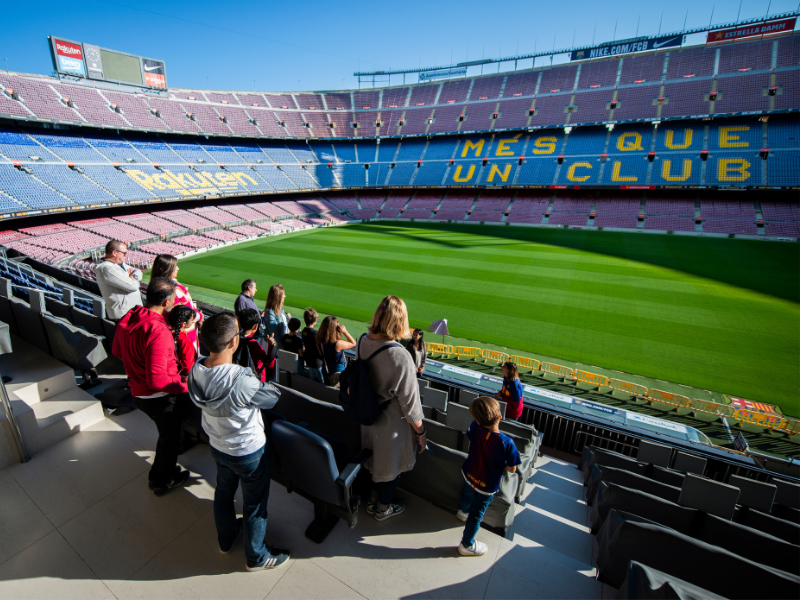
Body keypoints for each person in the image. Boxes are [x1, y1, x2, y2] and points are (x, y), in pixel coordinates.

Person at [187, 312, 291, 571]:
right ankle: (256, 557)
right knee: (254, 504)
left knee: (223, 494)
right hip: (248, 452)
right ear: (234, 343)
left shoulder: (196, 370)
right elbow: (271, 399)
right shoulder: (240, 379)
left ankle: (225, 540)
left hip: (219, 447)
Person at [112, 277, 190, 496]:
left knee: (166, 438)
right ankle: (162, 481)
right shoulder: (158, 331)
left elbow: (118, 351)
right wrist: (185, 387)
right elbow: (157, 380)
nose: (175, 301)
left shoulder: (130, 316)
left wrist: (138, 366)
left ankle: (159, 473)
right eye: (173, 298)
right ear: (166, 302)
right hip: (159, 398)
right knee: (170, 440)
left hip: (139, 392)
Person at [359, 296, 426, 521]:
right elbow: (411, 404)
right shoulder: (400, 355)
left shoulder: (362, 341)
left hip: (367, 418)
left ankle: (372, 501)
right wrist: (421, 433)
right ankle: (383, 509)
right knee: (391, 467)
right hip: (390, 425)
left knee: (373, 463)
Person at [457, 395, 521, 556]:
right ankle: (467, 544)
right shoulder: (507, 443)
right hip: (486, 484)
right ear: (500, 416)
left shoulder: (475, 427)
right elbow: (512, 469)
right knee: (476, 515)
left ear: (477, 419)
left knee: (467, 493)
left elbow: (471, 445)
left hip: (469, 473)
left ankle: (462, 512)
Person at [151, 254, 203, 348]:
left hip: (185, 333)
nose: (178, 269)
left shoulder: (161, 285)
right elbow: (181, 315)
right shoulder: (170, 291)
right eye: (175, 267)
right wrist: (199, 316)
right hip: (183, 336)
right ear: (168, 269)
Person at [94, 239, 142, 321]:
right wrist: (133, 277)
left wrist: (132, 277)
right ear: (114, 253)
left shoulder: (119, 264)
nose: (125, 255)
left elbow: (138, 272)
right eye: (124, 253)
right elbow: (133, 286)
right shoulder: (107, 269)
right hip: (123, 315)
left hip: (132, 313)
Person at [235, 308, 277, 383]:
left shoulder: (235, 339)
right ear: (255, 327)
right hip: (256, 381)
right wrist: (271, 345)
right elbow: (270, 364)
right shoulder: (254, 343)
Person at [315, 316, 355, 386]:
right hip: (338, 371)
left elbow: (321, 354)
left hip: (326, 368)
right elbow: (353, 343)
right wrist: (345, 332)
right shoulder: (338, 344)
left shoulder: (319, 341)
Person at [168, 305, 197, 380]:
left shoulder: (166, 334)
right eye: (191, 320)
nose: (193, 321)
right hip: (182, 379)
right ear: (183, 324)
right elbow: (188, 366)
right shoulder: (185, 341)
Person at [301, 308, 323, 383]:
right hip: (317, 361)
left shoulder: (304, 331)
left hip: (309, 359)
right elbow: (319, 347)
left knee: (312, 379)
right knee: (322, 380)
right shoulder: (315, 333)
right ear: (315, 321)